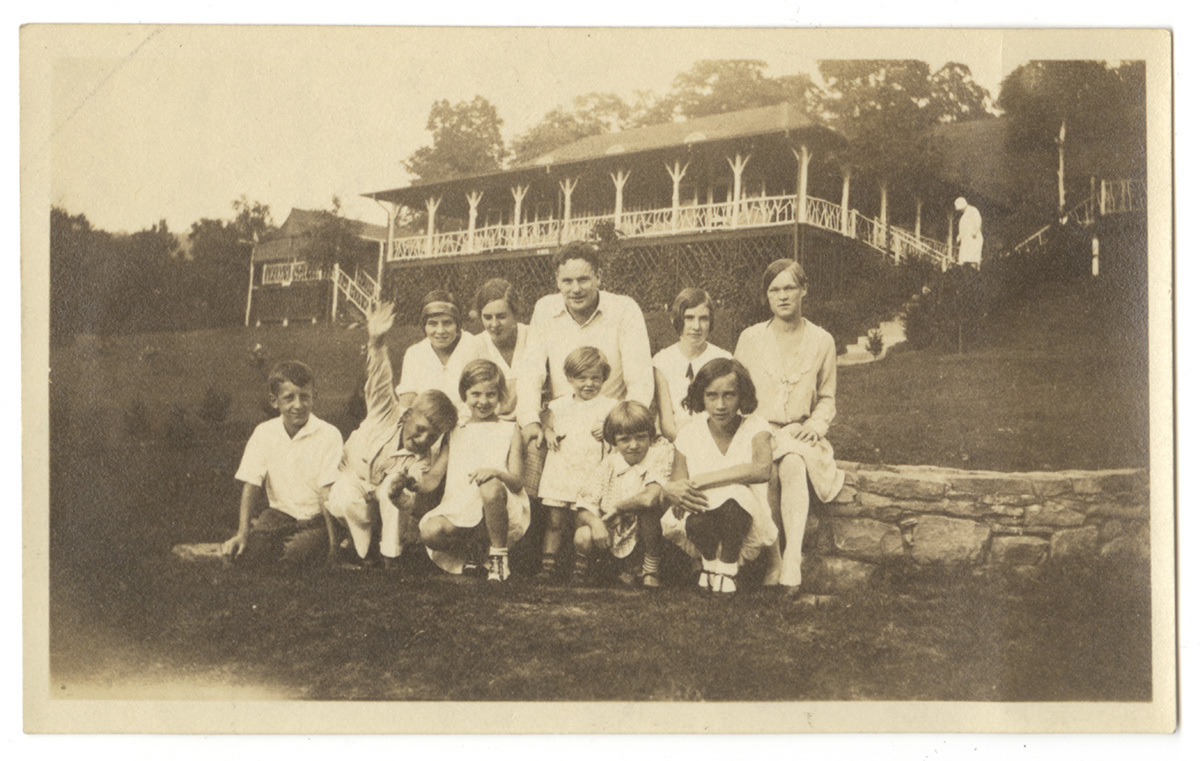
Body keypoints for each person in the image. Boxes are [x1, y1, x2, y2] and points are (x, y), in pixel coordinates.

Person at [734, 259, 845, 593]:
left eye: (789, 288)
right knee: (767, 468)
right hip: (759, 429)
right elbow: (736, 390)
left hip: (799, 433)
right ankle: (774, 560)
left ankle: (791, 560)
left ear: (804, 290)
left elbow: (827, 396)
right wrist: (755, 429)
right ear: (767, 297)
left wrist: (815, 423)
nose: (782, 296)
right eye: (774, 290)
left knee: (794, 462)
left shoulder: (822, 340)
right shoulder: (751, 338)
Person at [325, 302, 459, 569]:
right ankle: (362, 549)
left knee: (393, 487)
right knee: (344, 497)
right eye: (420, 430)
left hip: (383, 498)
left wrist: (400, 490)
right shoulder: (386, 412)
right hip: (355, 484)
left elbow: (409, 497)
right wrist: (376, 342)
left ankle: (390, 556)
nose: (422, 440)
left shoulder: (420, 458)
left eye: (431, 437)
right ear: (407, 414)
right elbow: (380, 380)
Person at [516, 241, 654, 452]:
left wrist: (621, 425)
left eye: (583, 279)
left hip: (610, 425)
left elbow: (640, 380)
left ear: (598, 277)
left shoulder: (624, 309)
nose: (576, 289)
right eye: (567, 281)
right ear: (557, 282)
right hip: (560, 425)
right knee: (532, 450)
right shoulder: (545, 308)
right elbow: (531, 372)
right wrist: (530, 420)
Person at [660, 358, 777, 595]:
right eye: (712, 396)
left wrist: (704, 480)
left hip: (745, 520)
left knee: (735, 495)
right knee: (699, 513)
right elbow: (680, 484)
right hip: (702, 519)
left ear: (742, 396)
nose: (720, 405)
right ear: (701, 397)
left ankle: (727, 568)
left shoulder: (756, 426)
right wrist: (677, 492)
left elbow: (761, 469)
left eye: (729, 395)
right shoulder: (690, 432)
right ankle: (711, 564)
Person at [221, 361, 344, 568]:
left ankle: (314, 545)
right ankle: (264, 537)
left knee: (297, 554)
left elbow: (326, 493)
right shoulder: (264, 433)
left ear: (315, 396)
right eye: (289, 398)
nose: (298, 405)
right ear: (274, 401)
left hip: (317, 519)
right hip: (280, 515)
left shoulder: (329, 434)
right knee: (251, 553)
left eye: (305, 396)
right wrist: (242, 533)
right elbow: (251, 483)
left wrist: (333, 547)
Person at [418, 359, 531, 582]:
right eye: (476, 394)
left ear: (500, 396)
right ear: (464, 395)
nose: (483, 401)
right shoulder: (455, 431)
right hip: (461, 508)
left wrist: (496, 473)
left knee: (489, 486)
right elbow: (433, 478)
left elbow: (517, 482)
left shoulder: (509, 429)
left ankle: (499, 559)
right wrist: (411, 482)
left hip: (502, 505)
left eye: (491, 394)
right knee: (430, 531)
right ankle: (473, 551)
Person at [535, 346, 620, 577]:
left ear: (604, 378)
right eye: (581, 378)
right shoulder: (559, 404)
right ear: (570, 378)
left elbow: (617, 435)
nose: (589, 384)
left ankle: (581, 565)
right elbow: (548, 425)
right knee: (555, 521)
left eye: (596, 378)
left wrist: (607, 432)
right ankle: (548, 565)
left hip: (589, 471)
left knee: (582, 520)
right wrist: (550, 433)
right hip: (561, 469)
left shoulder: (609, 406)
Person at [572, 401, 673, 588]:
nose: (633, 445)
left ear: (651, 436)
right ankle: (587, 573)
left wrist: (618, 508)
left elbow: (650, 498)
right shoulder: (610, 463)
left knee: (648, 510)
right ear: (614, 440)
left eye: (640, 437)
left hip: (646, 532)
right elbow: (583, 505)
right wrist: (596, 523)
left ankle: (650, 569)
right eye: (625, 439)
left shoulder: (659, 456)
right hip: (614, 533)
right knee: (583, 534)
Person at [652, 287, 732, 441]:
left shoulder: (723, 359)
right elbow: (667, 424)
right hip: (676, 440)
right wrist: (688, 447)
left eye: (703, 318)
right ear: (675, 319)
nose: (696, 326)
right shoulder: (662, 361)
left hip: (714, 440)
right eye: (689, 318)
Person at [395, 290, 486, 409]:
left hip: (470, 420)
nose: (440, 331)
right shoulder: (415, 353)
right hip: (429, 422)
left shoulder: (474, 346)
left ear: (458, 324)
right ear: (424, 326)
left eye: (447, 323)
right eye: (432, 324)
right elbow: (407, 402)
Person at [474, 278, 529, 421]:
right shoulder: (476, 346)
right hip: (493, 424)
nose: (494, 324)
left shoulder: (531, 336)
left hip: (531, 422)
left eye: (501, 316)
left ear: (515, 313)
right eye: (487, 317)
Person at [955, 196, 984, 270]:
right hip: (966, 240)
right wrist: (959, 236)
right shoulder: (963, 216)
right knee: (964, 260)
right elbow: (963, 229)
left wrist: (975, 231)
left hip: (973, 239)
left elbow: (978, 220)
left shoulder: (973, 210)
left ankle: (974, 270)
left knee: (972, 259)